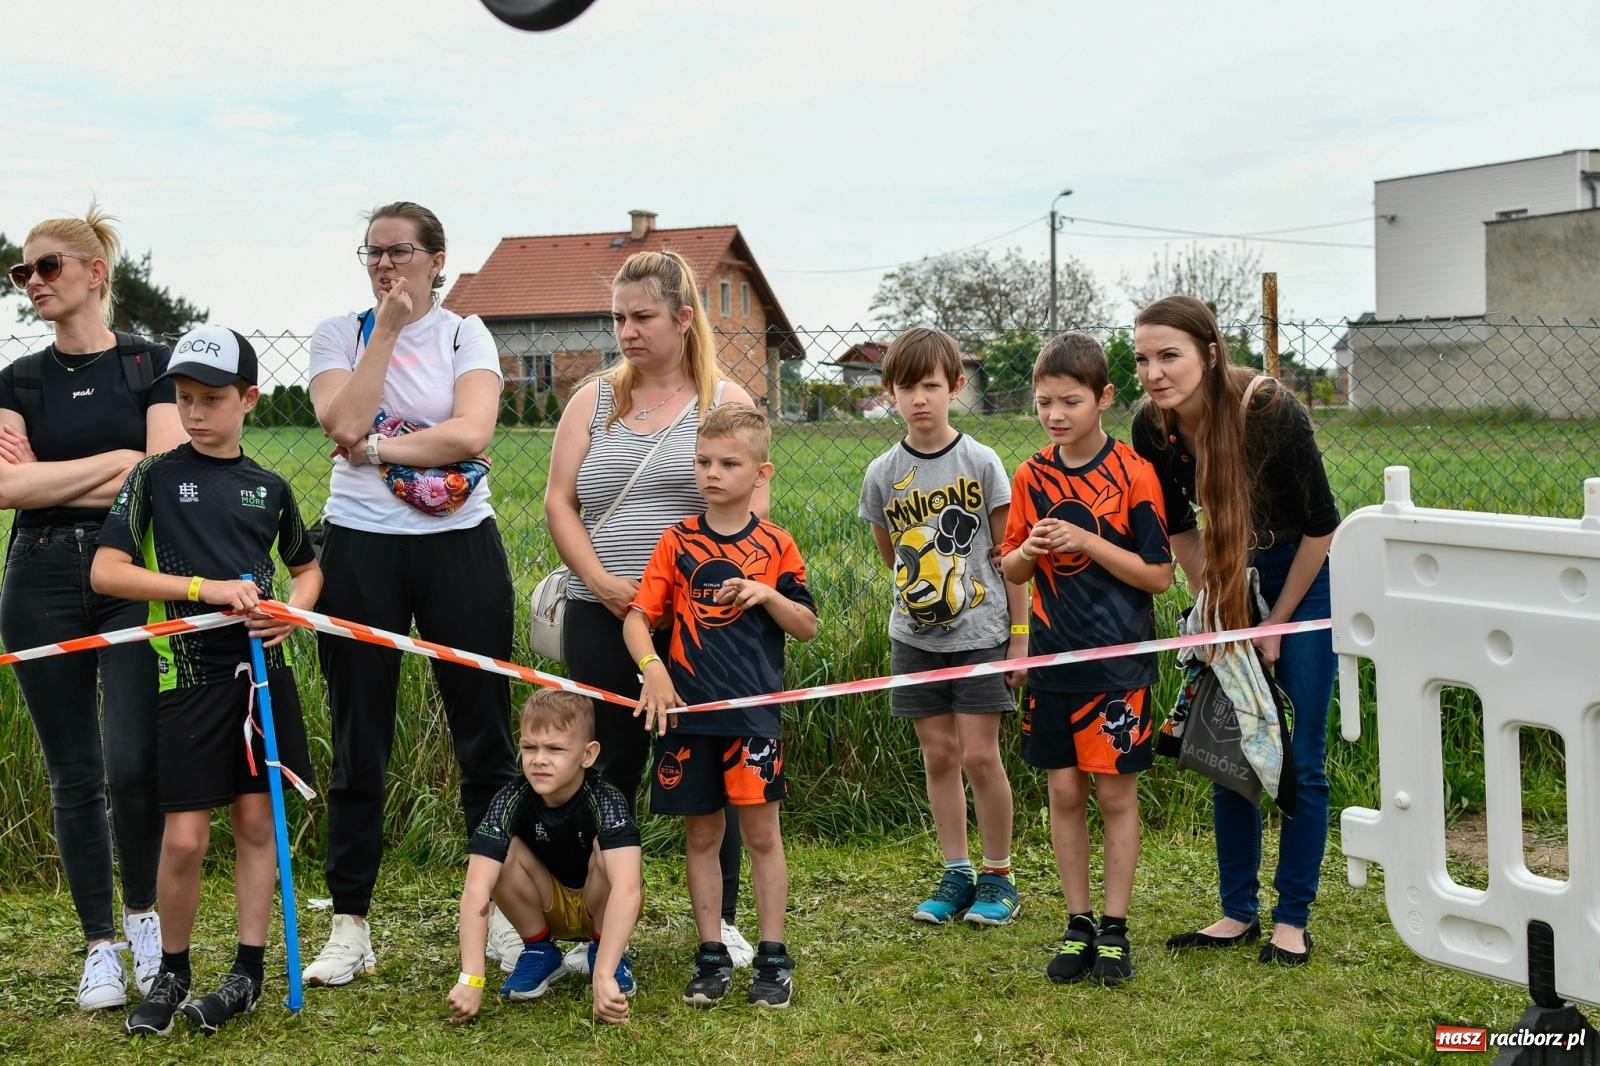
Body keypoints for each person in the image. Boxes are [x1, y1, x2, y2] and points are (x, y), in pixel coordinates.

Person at [303, 201, 518, 986]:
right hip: (360, 548)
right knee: (360, 739)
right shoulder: (342, 333)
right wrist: (386, 332)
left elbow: (470, 434)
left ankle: (495, 911)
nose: (385, 265)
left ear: (437, 260)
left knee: (485, 735)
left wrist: (381, 448)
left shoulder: (468, 332)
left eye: (400, 252)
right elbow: (339, 420)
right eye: (372, 252)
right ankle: (351, 925)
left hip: (459, 546)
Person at [91, 324, 321, 1035]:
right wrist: (203, 588)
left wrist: (294, 613)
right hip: (186, 680)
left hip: (262, 677)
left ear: (248, 400)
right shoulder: (153, 476)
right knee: (185, 839)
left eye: (211, 398)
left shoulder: (270, 487)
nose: (194, 412)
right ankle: (174, 971)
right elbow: (106, 572)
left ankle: (247, 972)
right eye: (184, 397)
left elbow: (307, 567)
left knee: (257, 823)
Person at [545, 249, 765, 967]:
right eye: (618, 317)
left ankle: (721, 923)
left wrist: (691, 599)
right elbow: (560, 501)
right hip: (597, 612)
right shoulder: (593, 399)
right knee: (603, 772)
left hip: (695, 628)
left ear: (683, 317)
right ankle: (598, 928)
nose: (627, 331)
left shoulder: (725, 402)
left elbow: (748, 511)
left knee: (711, 767)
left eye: (642, 317)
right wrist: (606, 585)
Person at [0, 204, 188, 1010]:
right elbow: (7, 489)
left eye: (47, 267)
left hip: (124, 573)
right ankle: (99, 947)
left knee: (133, 762)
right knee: (73, 771)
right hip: (36, 576)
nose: (32, 282)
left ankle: (146, 922)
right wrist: (118, 461)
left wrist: (75, 468)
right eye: (22, 272)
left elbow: (166, 471)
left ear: (94, 273)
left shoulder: (150, 365)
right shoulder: (17, 380)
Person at [1130, 295, 1339, 967]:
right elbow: (1181, 528)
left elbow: (1322, 526)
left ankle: (1292, 920)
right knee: (1232, 749)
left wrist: (1275, 624)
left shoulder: (1267, 410)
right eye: (1142, 359)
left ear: (1209, 354)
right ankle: (1236, 912)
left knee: (1299, 755)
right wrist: (1217, 607)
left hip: (1302, 580)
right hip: (1228, 576)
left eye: (1170, 356)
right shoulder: (1151, 428)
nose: (1155, 373)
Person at [623, 403, 817, 1009]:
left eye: (729, 463)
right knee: (701, 835)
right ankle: (709, 954)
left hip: (754, 718)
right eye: (704, 461)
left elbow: (807, 625)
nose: (712, 473)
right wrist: (652, 669)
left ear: (762, 472)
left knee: (761, 835)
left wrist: (765, 594)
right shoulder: (676, 541)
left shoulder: (777, 545)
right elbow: (637, 619)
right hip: (687, 717)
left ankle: (772, 955)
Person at [1000, 332, 1173, 987]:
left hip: (1118, 667)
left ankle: (1116, 930)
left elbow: (1157, 576)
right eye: (1044, 403)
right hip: (1051, 662)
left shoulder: (1134, 473)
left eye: (1070, 401)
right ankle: (1078, 925)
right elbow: (1010, 563)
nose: (1056, 415)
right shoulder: (1030, 475)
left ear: (1104, 398)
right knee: (1064, 791)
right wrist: (1034, 550)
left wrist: (1087, 541)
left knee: (1114, 795)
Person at [856, 327, 1026, 926]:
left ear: (954, 387)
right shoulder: (881, 473)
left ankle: (999, 875)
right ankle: (956, 872)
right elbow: (890, 552)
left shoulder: (981, 463)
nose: (919, 399)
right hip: (915, 637)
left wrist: (1020, 640)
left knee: (981, 756)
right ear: (891, 393)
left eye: (931, 385)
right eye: (906, 387)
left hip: (982, 635)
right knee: (938, 755)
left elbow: (1010, 556)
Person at [447, 689, 643, 1026]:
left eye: (554, 749)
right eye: (529, 748)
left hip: (599, 905)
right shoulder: (510, 798)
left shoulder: (606, 799)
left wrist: (603, 976)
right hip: (544, 901)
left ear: (588, 754)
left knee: (611, 855)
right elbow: (476, 888)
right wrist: (471, 977)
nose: (539, 759)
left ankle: (603, 954)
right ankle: (539, 950)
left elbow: (627, 889)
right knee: (501, 851)